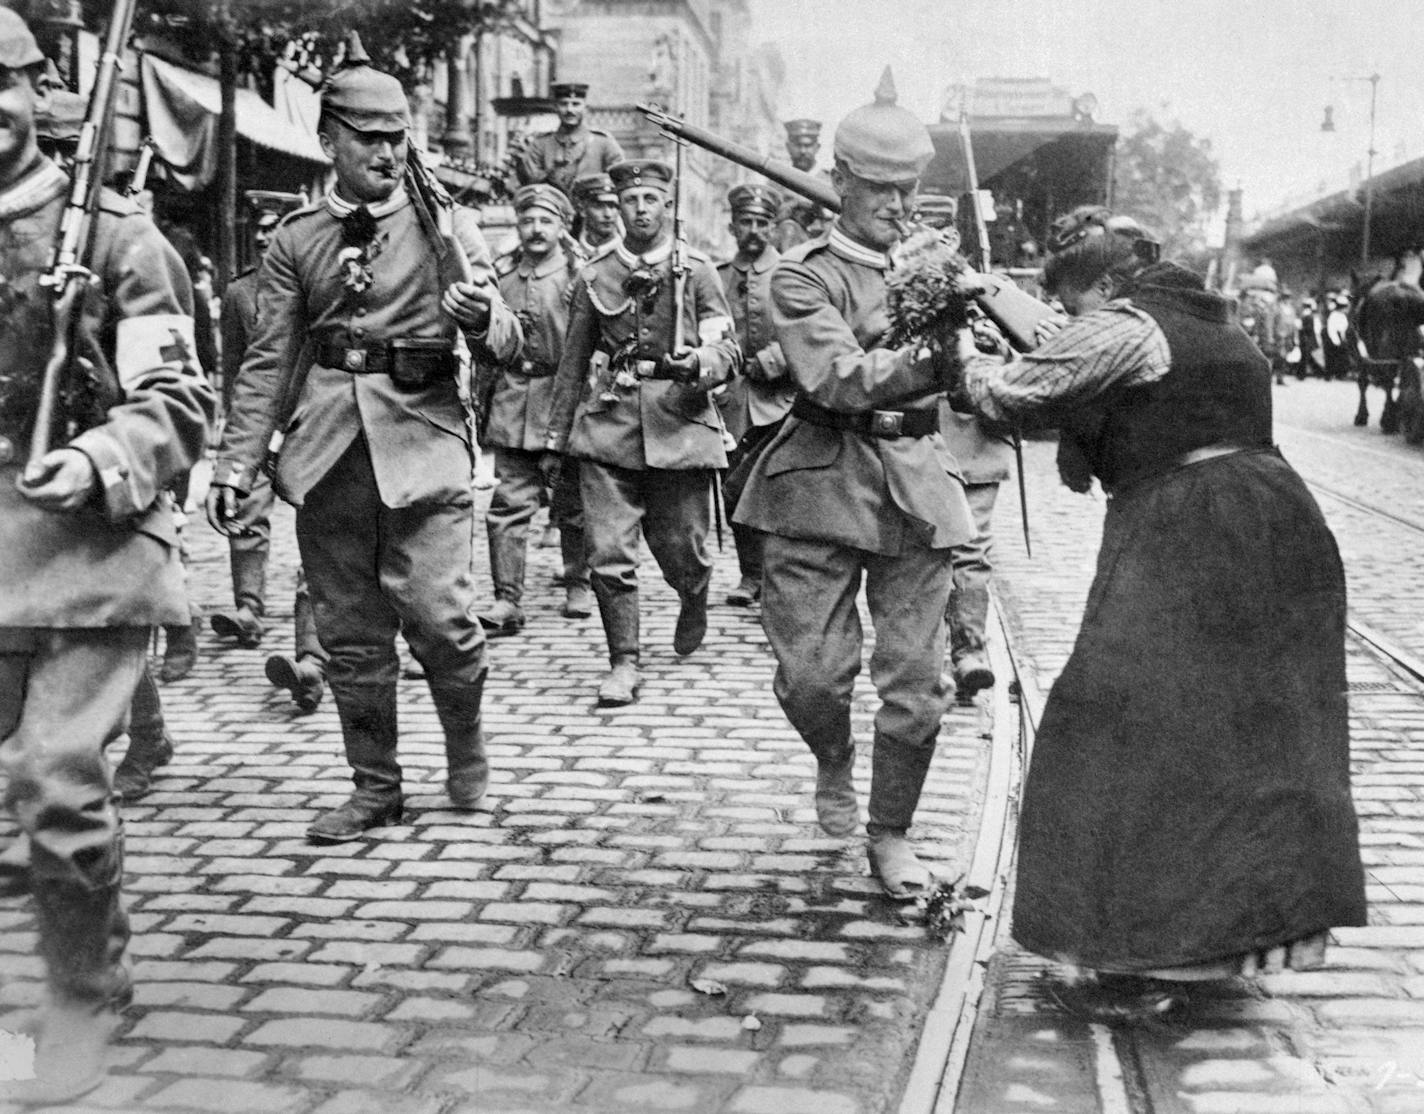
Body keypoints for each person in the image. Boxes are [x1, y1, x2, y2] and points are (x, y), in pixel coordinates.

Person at [959, 205, 1366, 1005]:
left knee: (1123, 727)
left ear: (1109, 286)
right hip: (1275, 520)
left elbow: (1012, 394)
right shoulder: (1214, 317)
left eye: (1075, 304)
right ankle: (1227, 943)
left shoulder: (1128, 326)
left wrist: (959, 356)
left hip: (1190, 529)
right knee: (1249, 736)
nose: (1073, 320)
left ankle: (1146, 954)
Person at [207, 43, 520, 842]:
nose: (387, 152)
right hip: (328, 453)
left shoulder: (447, 223)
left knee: (442, 621)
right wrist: (237, 460)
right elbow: (270, 361)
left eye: (397, 137)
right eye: (368, 137)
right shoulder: (297, 239)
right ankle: (375, 786)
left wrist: (482, 317)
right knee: (349, 633)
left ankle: (465, 738)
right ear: (329, 142)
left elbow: (513, 341)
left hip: (424, 436)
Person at [0, 9, 215, 1101]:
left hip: (90, 552)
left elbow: (178, 401)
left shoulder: (123, 240)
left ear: (41, 94)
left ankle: (78, 999)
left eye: (4, 83)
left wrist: (98, 457)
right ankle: (104, 954)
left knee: (57, 777)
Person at [733, 71, 975, 900]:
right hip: (818, 483)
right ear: (840, 183)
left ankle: (891, 831)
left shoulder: (943, 267)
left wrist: (983, 341)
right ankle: (832, 754)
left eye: (910, 189)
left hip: (914, 486)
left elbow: (978, 378)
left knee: (918, 686)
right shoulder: (799, 276)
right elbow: (836, 377)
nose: (898, 205)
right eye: (879, 189)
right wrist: (931, 352)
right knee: (812, 679)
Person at [544, 158, 741, 706]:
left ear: (666, 205)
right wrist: (555, 440)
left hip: (679, 422)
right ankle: (623, 661)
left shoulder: (696, 272)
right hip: (609, 424)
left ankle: (693, 591)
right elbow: (572, 361)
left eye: (651, 199)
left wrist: (697, 360)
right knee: (609, 551)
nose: (640, 209)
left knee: (683, 547)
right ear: (616, 207)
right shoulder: (595, 273)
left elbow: (727, 349)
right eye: (630, 201)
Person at [210, 190, 330, 714]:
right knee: (246, 513)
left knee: (321, 541)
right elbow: (237, 367)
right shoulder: (239, 292)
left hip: (315, 425)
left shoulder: (323, 286)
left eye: (272, 226)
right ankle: (248, 609)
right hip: (259, 425)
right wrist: (235, 437)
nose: (262, 236)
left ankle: (311, 659)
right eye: (258, 228)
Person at [477, 183, 591, 634]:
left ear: (562, 226)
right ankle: (508, 599)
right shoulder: (501, 276)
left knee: (572, 501)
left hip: (563, 398)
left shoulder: (579, 278)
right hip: (512, 398)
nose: (536, 229)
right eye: (527, 221)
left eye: (546, 221)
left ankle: (578, 581)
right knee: (507, 503)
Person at [917, 193, 1013, 701]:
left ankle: (969, 651)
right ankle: (925, 657)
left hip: (972, 441)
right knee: (921, 556)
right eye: (921, 225)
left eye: (942, 229)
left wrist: (995, 343)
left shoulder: (991, 289)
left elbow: (1029, 354)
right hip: (912, 438)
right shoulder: (896, 285)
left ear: (956, 235)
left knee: (971, 551)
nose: (932, 237)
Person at [715, 182, 793, 607]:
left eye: (762, 223)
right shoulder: (719, 276)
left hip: (779, 401)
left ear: (774, 228)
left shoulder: (789, 273)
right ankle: (750, 575)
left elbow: (806, 331)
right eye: (746, 222)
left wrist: (773, 360)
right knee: (734, 490)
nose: (754, 230)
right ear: (732, 225)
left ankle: (778, 576)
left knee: (776, 491)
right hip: (730, 403)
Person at [516, 81, 623, 199]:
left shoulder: (604, 143)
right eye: (564, 104)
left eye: (576, 104)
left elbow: (619, 176)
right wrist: (551, 177)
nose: (569, 110)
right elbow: (530, 179)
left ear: (585, 108)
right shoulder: (540, 145)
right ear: (555, 107)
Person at [571, 172, 621, 255]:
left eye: (612, 206)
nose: (608, 214)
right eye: (599, 206)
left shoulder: (631, 254)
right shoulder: (571, 253)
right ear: (582, 210)